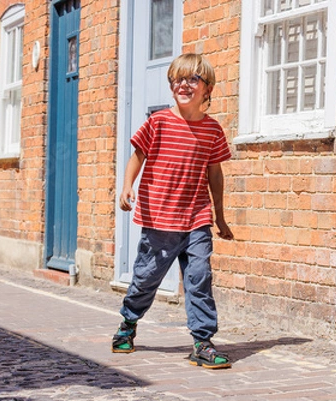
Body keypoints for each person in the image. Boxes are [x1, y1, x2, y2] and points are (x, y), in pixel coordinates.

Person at [112, 53, 234, 369]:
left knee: (199, 277)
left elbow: (215, 174)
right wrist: (128, 185)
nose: (183, 84)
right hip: (160, 219)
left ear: (208, 89)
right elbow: (137, 156)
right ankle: (128, 322)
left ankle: (202, 342)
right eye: (178, 79)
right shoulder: (158, 122)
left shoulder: (212, 130)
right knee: (145, 278)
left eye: (193, 79)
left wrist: (219, 215)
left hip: (197, 218)